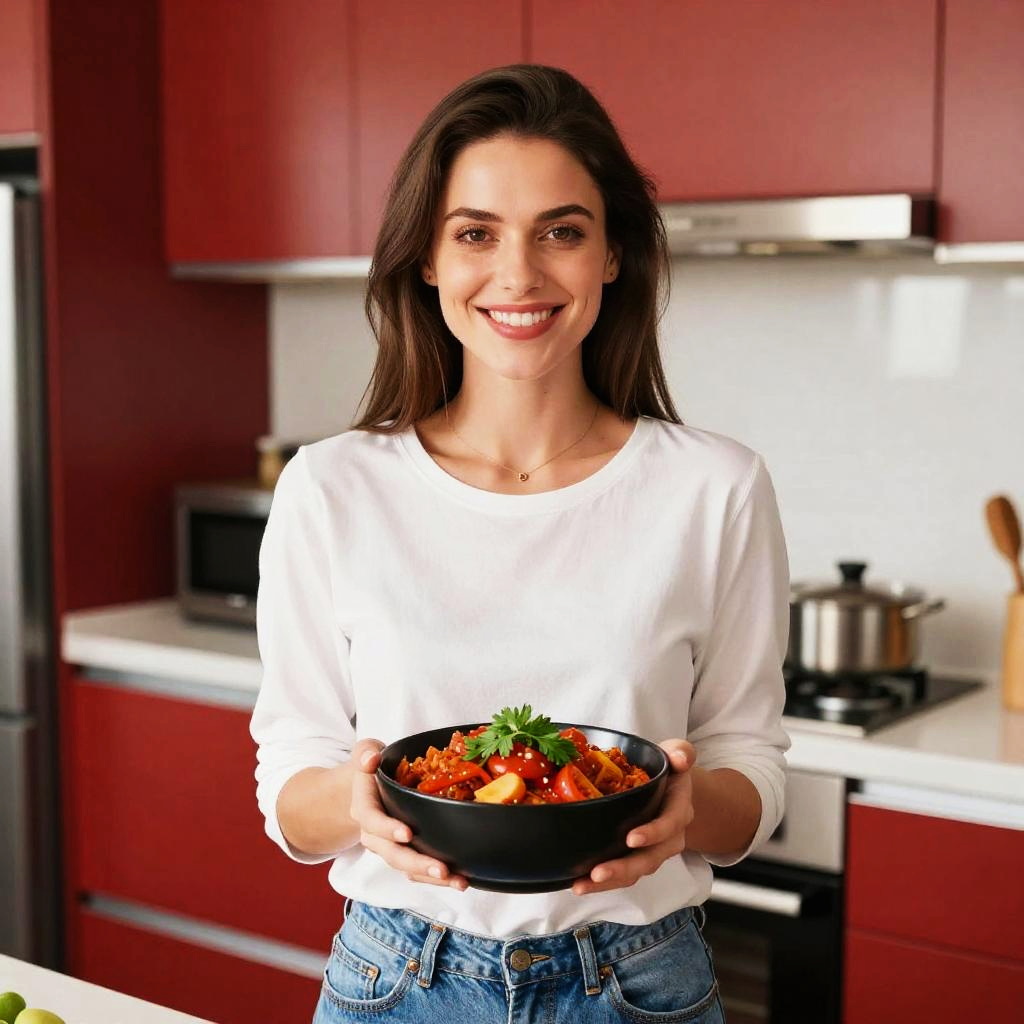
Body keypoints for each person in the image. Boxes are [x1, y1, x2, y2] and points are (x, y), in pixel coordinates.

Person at [250, 64, 790, 1023]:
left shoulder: (717, 488)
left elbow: (751, 769)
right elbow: (291, 786)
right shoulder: (330, 487)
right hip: (395, 981)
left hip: (638, 982)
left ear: (612, 254)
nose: (519, 274)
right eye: (475, 233)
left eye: (562, 232)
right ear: (427, 259)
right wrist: (359, 805)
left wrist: (681, 812)